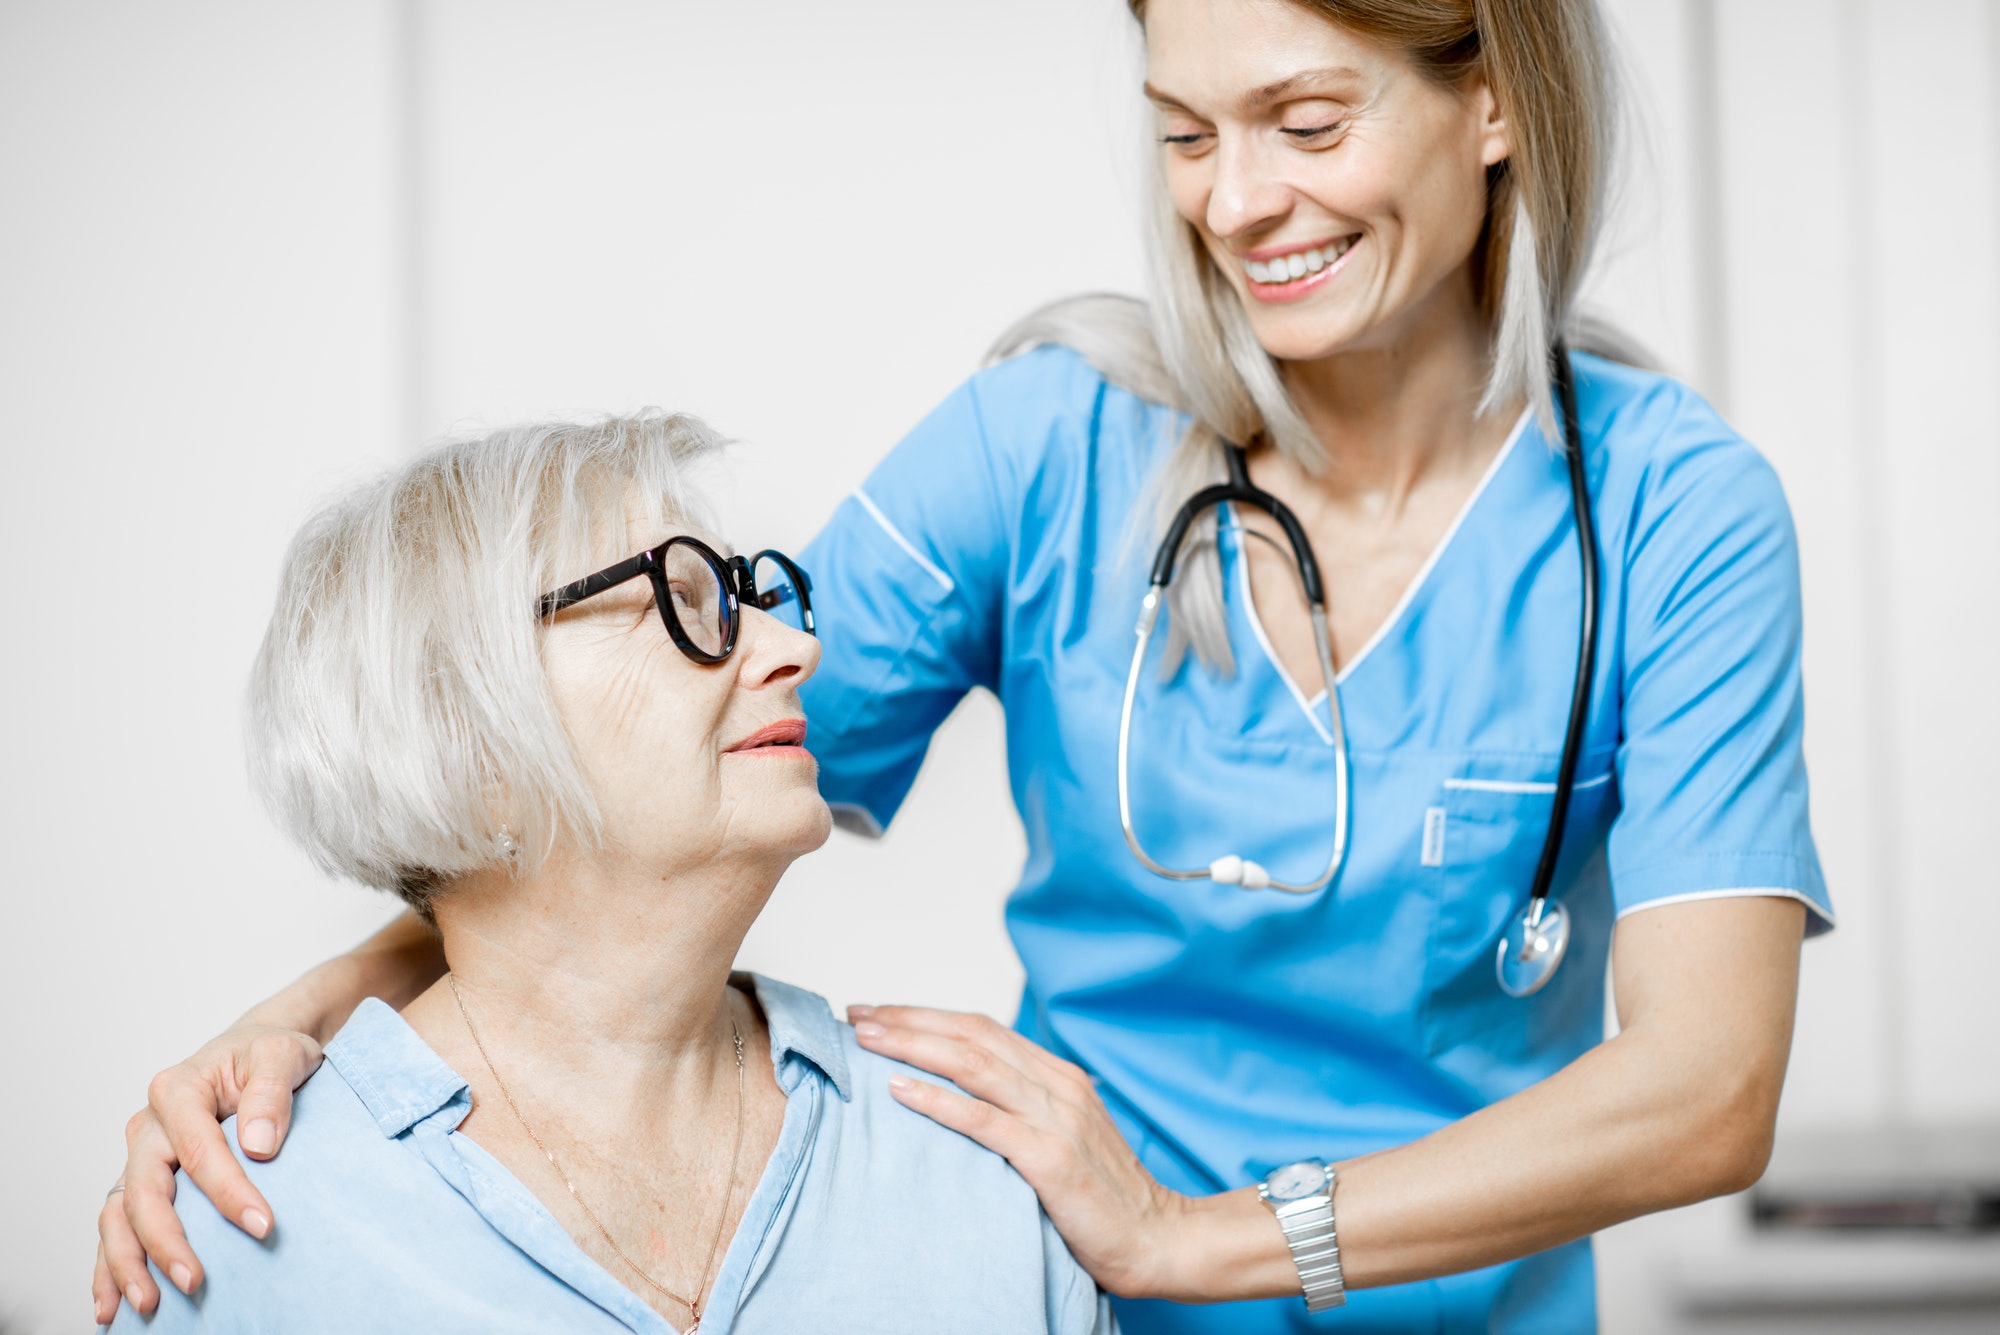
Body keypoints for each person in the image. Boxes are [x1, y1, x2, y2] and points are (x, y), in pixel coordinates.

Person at [97, 2, 1832, 1331]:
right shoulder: (1048, 446)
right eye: (1182, 132)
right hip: (1053, 1301)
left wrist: (1199, 1237)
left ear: (1497, 98)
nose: (1238, 202)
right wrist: (301, 1025)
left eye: (1306, 120)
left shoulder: (1677, 516)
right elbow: (622, 791)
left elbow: (1705, 1088)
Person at [99, 413, 1112, 1334]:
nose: (797, 647)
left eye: (751, 598)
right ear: (468, 734)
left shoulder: (985, 1171)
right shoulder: (232, 1235)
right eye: (682, 600)